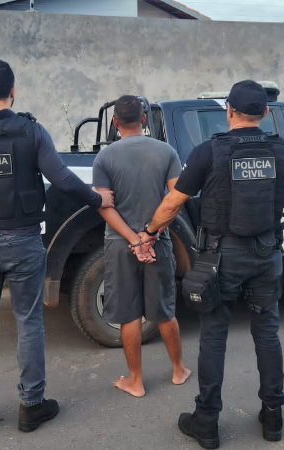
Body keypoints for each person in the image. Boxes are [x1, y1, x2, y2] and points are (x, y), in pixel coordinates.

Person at [0, 59, 114, 436]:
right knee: (29, 322)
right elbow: (62, 179)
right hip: (24, 241)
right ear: (13, 91)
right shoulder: (31, 131)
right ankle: (31, 406)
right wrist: (97, 199)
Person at [139, 80, 284, 448]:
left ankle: (207, 421)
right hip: (267, 255)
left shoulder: (208, 152)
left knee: (214, 336)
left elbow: (172, 204)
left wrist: (149, 233)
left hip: (220, 259)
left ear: (228, 110)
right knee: (267, 333)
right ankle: (273, 416)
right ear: (265, 113)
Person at [92, 95, 191, 398]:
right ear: (144, 119)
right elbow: (175, 200)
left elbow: (104, 205)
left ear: (114, 122)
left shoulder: (105, 158)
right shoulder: (166, 152)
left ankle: (135, 381)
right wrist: (150, 235)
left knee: (129, 314)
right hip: (158, 242)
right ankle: (178, 370)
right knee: (164, 310)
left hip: (119, 244)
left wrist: (134, 240)